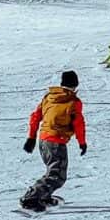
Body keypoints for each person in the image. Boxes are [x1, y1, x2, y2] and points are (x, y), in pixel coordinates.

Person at [20, 70, 87, 212]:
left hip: (43, 140)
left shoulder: (49, 97)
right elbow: (78, 124)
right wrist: (82, 142)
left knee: (52, 171)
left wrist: (31, 138)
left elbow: (35, 117)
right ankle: (31, 198)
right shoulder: (73, 102)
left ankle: (43, 197)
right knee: (57, 176)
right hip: (56, 142)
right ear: (75, 85)